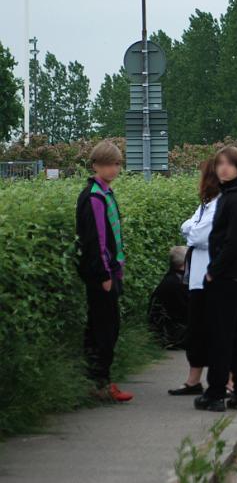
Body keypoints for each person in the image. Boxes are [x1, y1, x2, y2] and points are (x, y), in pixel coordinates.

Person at [194, 146, 237, 413]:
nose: (223, 168)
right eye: (219, 164)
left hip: (229, 277)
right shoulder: (235, 194)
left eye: (229, 164)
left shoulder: (236, 198)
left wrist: (213, 270)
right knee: (234, 337)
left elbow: (234, 241)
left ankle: (216, 393)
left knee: (221, 337)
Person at [75, 140, 133, 402]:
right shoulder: (94, 197)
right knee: (104, 328)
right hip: (102, 274)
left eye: (117, 164)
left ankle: (97, 379)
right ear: (97, 165)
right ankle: (100, 382)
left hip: (111, 271)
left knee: (106, 325)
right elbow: (95, 240)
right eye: (110, 164)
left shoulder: (106, 193)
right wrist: (104, 275)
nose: (115, 169)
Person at [168, 160, 220, 396]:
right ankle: (193, 381)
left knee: (213, 331)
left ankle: (224, 383)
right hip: (197, 278)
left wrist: (194, 229)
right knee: (197, 331)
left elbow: (198, 236)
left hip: (211, 277)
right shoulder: (205, 206)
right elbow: (186, 226)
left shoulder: (220, 204)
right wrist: (194, 228)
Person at [148, 246, 190, 349]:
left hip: (162, 330)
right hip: (174, 334)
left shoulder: (170, 278)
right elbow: (187, 311)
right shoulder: (180, 283)